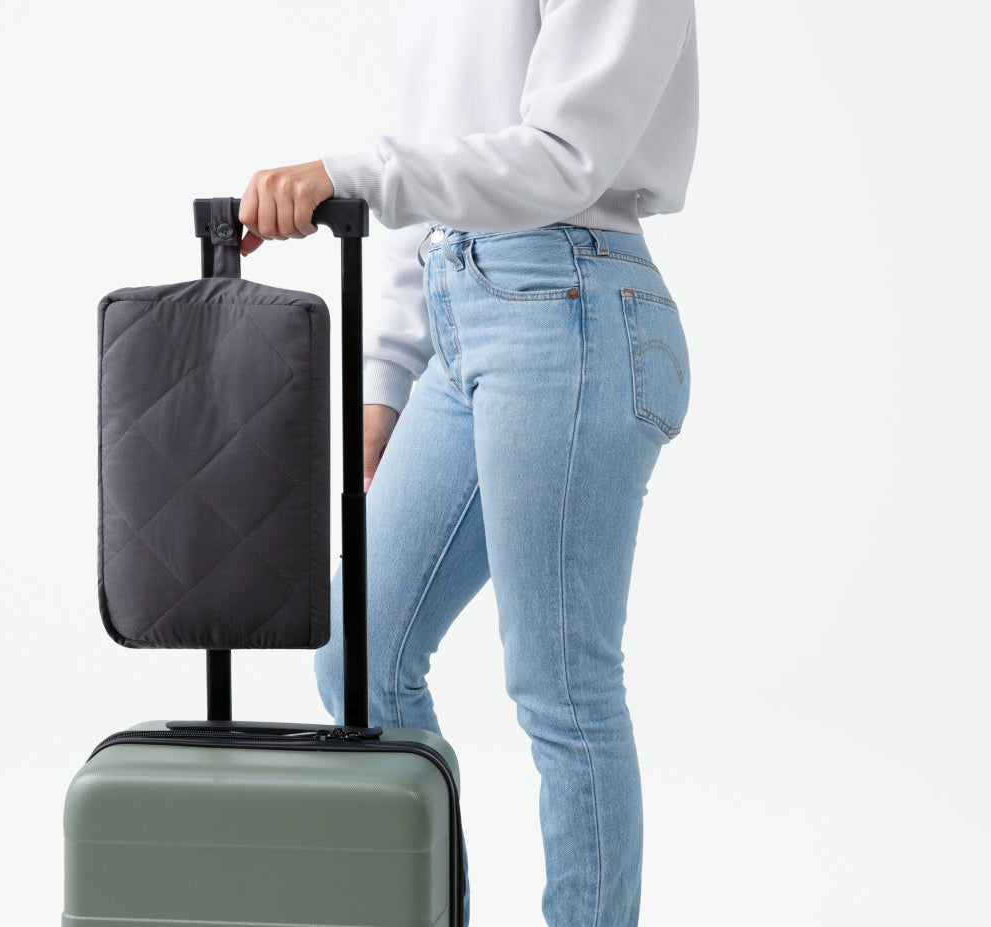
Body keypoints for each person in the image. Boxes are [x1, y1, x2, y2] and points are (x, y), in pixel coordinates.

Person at [237, 3, 698, 925]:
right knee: (359, 647)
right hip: (464, 313)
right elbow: (440, 153)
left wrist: (353, 174)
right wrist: (388, 375)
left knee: (562, 688)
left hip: (571, 299)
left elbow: (567, 156)